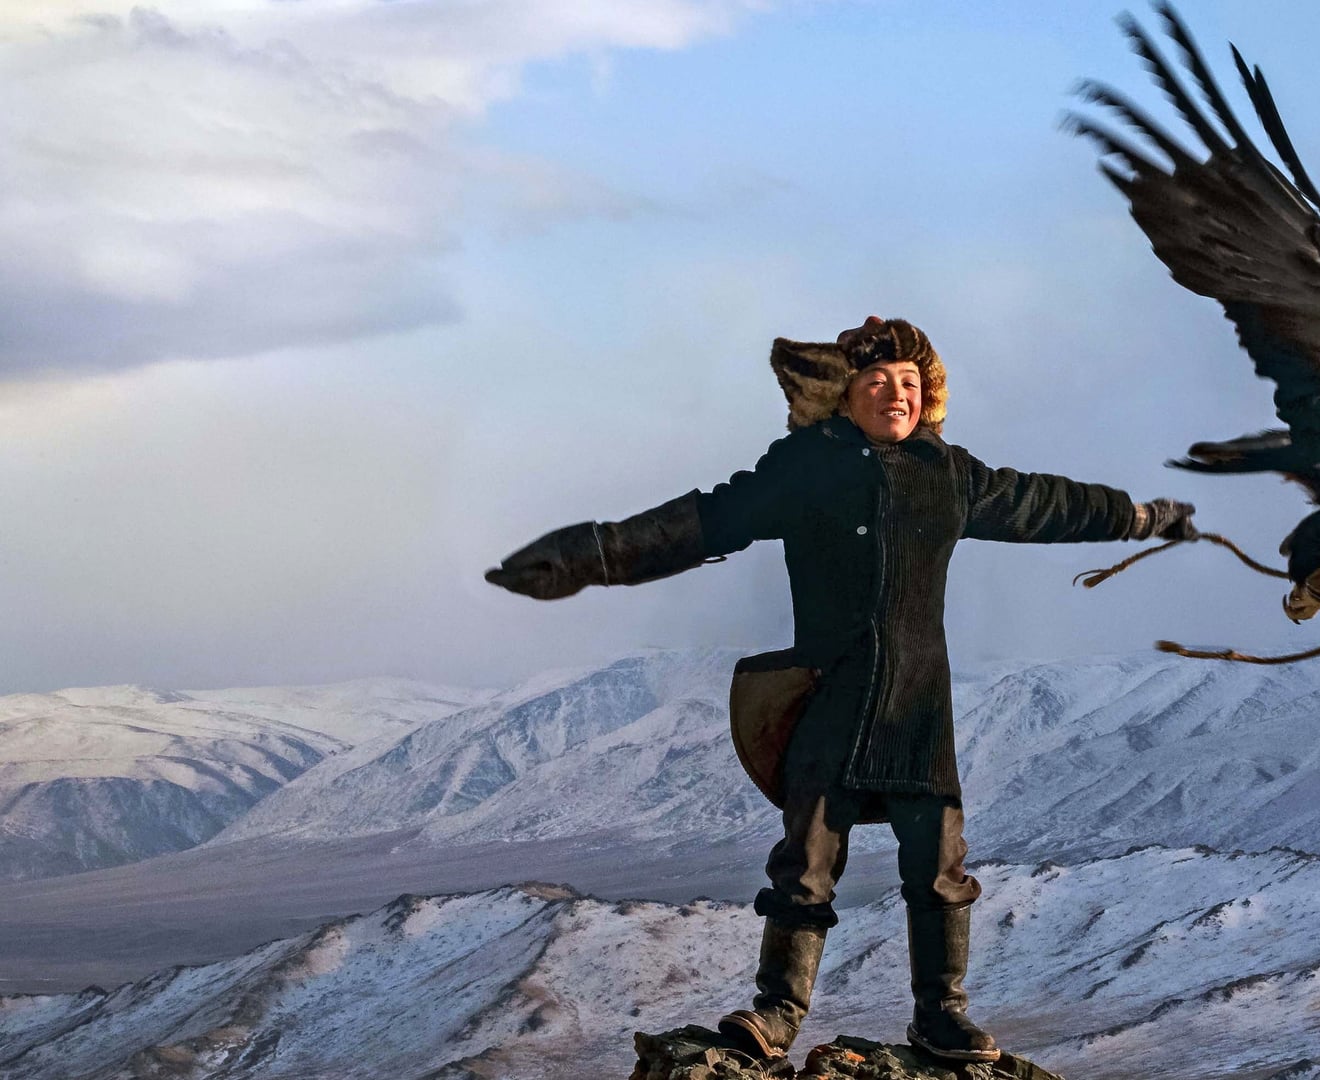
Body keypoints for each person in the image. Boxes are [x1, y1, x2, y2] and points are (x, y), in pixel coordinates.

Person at [486, 317, 1197, 1063]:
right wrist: (589, 555)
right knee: (805, 866)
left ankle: (942, 1016)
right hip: (828, 698)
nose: (897, 394)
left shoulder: (950, 476)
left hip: (920, 705)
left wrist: (1142, 517)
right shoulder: (805, 469)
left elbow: (1049, 505)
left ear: (929, 398)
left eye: (910, 384)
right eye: (878, 382)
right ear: (845, 396)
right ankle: (778, 1014)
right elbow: (704, 521)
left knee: (940, 871)